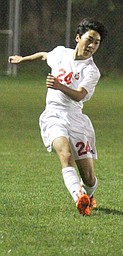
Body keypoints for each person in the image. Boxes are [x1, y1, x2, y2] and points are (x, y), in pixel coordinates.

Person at [8, 18, 108, 216]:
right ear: (78, 38)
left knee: (88, 177)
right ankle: (78, 198)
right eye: (89, 40)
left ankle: (90, 194)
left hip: (76, 119)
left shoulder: (91, 71)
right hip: (53, 114)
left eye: (96, 42)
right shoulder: (61, 53)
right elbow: (45, 55)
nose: (92, 46)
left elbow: (79, 95)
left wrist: (59, 85)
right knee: (65, 154)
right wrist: (23, 59)